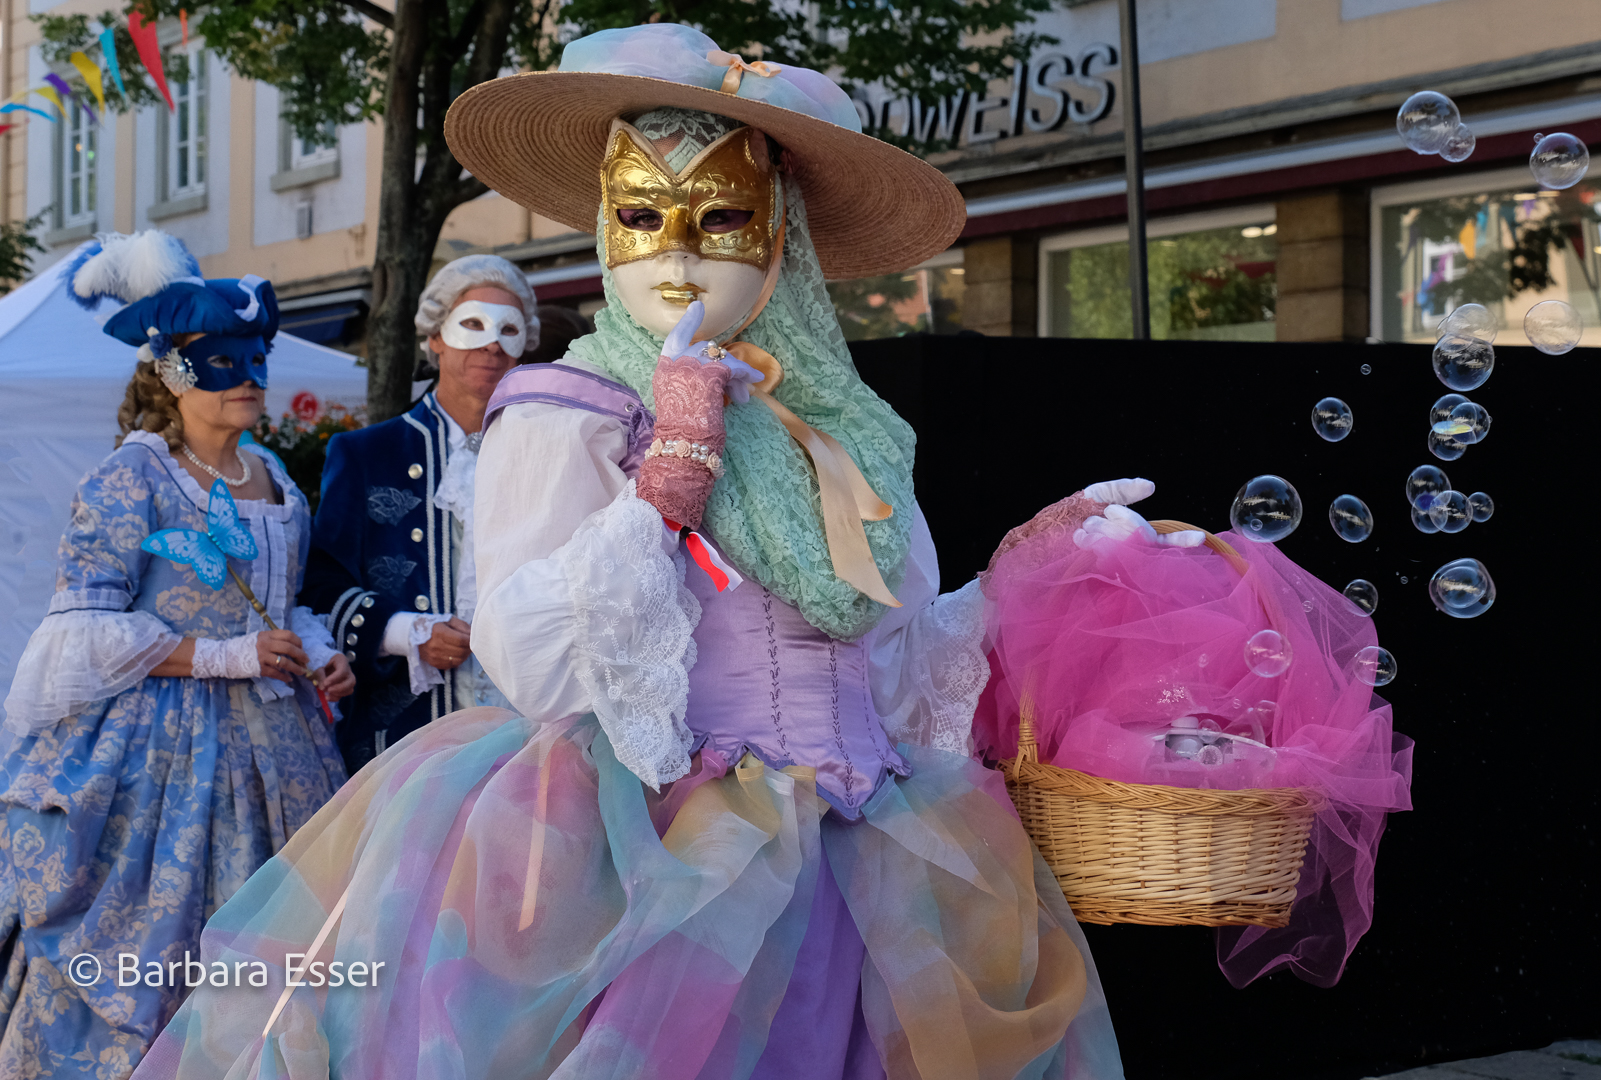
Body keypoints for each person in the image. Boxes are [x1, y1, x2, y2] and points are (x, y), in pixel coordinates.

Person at [133, 26, 1134, 1079]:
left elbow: (891, 664)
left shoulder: (845, 430)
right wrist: (661, 492)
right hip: (659, 864)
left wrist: (1030, 568)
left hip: (866, 862)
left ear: (781, 232)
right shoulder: (575, 409)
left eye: (725, 217)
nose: (678, 251)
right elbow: (529, 663)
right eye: (642, 215)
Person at [0, 230, 353, 1079]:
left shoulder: (276, 478)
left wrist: (313, 647)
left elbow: (283, 598)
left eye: (257, 358)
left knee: (301, 949)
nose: (250, 379)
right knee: (166, 955)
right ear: (171, 374)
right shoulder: (133, 480)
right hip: (162, 761)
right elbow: (77, 630)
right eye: (222, 362)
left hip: (286, 749)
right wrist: (224, 656)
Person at [300, 256, 537, 773]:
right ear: (435, 337)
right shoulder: (366, 454)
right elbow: (319, 584)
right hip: (405, 739)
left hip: (531, 730)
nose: (492, 344)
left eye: (509, 329)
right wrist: (406, 631)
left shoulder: (548, 454)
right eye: (472, 324)